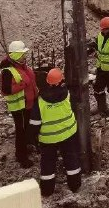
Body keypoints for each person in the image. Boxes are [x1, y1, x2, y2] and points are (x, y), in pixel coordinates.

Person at [29, 68, 82, 197]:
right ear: (61, 81)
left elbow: (34, 123)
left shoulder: (40, 101)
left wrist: (32, 139)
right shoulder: (68, 95)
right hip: (68, 134)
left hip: (48, 138)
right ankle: (75, 185)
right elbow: (74, 108)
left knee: (47, 162)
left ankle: (47, 190)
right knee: (71, 159)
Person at [0, 40, 38, 167]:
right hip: (19, 107)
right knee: (21, 131)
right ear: (15, 55)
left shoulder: (22, 66)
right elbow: (6, 90)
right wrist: (23, 85)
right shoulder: (7, 71)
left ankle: (27, 146)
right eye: (22, 54)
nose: (24, 56)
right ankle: (21, 156)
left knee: (27, 127)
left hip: (28, 104)